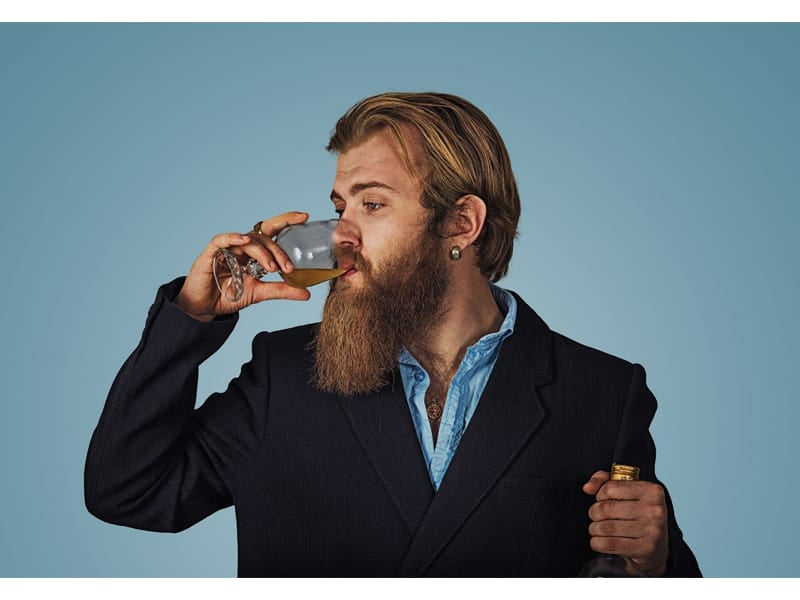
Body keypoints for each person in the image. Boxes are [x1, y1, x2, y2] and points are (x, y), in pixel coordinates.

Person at [84, 92, 701, 577]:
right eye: (339, 204)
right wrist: (194, 317)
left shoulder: (603, 390)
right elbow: (128, 492)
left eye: (371, 205)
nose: (339, 234)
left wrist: (658, 559)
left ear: (461, 222)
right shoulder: (283, 374)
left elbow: (619, 571)